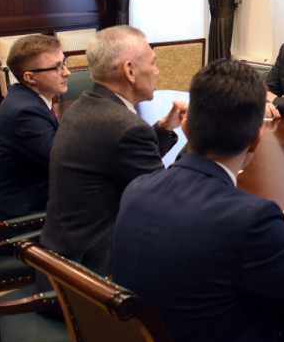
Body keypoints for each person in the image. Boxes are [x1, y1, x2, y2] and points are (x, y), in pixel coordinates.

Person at [113, 59, 284, 342]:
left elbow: (203, 228)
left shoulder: (137, 190)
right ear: (256, 139)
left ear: (187, 129)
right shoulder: (248, 221)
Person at [38, 26, 186, 280]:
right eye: (153, 63)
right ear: (130, 70)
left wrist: (164, 128)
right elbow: (165, 202)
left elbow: (121, 160)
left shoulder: (85, 105)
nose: (157, 71)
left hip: (63, 259)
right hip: (93, 277)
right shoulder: (124, 126)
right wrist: (201, 142)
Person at [0, 35, 69, 233]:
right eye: (57, 67)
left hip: (17, 203)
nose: (67, 72)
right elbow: (64, 161)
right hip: (6, 225)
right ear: (30, 77)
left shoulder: (25, 98)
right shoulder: (25, 112)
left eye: (64, 63)